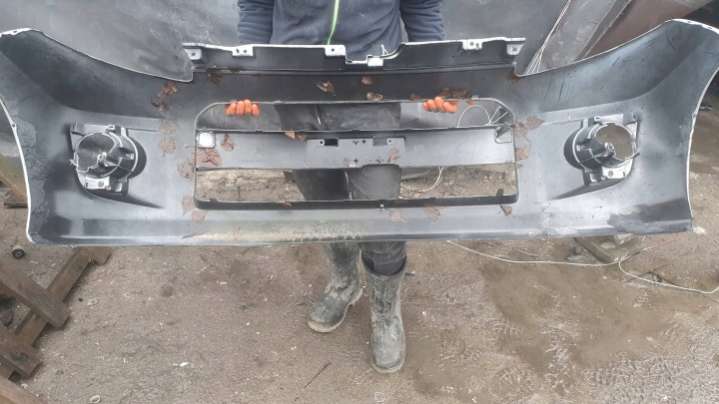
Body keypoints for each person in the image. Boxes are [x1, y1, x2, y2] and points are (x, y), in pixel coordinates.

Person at [233, 0, 453, 373]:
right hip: (296, 94)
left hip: (371, 92)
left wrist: (432, 75)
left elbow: (420, 7)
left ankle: (385, 310)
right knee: (323, 205)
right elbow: (257, 6)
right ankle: (344, 283)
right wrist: (247, 75)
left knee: (379, 212)